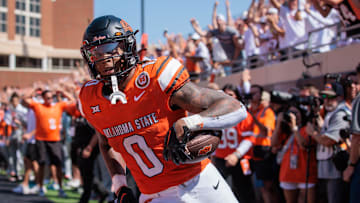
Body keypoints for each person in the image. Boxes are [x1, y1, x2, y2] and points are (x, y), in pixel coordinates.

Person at [79, 15, 247, 203]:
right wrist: (120, 185)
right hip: (154, 196)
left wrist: (190, 122)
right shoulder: (90, 98)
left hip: (202, 183)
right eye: (95, 53)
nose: (103, 59)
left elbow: (236, 107)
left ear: (127, 46)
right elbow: (106, 143)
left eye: (108, 49)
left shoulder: (156, 78)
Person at [22, 89, 75, 197]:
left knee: (58, 164)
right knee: (41, 163)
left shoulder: (58, 106)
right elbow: (24, 100)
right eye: (47, 98)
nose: (50, 100)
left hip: (55, 139)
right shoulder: (38, 106)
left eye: (51, 97)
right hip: (41, 139)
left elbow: (73, 101)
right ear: (43, 98)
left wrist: (65, 93)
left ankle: (60, 188)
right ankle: (41, 187)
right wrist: (33, 91)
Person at [306, 82, 350, 203]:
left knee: (334, 198)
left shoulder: (341, 113)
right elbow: (326, 134)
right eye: (325, 97)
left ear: (340, 97)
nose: (327, 101)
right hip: (327, 164)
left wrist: (312, 133)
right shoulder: (330, 114)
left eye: (331, 97)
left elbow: (329, 140)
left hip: (336, 164)